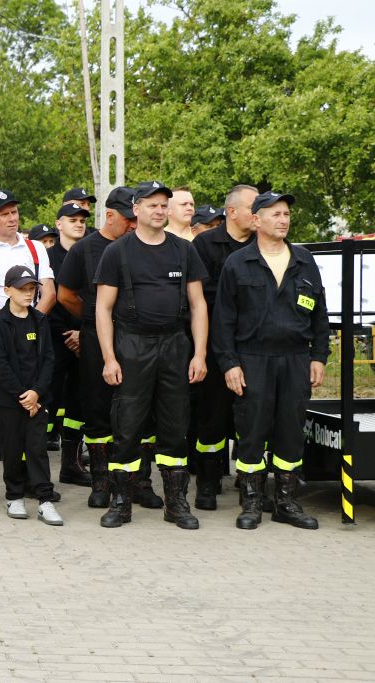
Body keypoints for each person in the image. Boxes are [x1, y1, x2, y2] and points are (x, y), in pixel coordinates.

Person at [94, 180, 209, 529]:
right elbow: (103, 308)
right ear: (136, 209)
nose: (159, 211)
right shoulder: (117, 252)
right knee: (127, 426)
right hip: (133, 344)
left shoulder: (184, 250)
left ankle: (176, 503)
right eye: (152, 205)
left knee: (175, 425)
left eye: (163, 205)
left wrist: (199, 354)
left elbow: (198, 305)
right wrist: (109, 358)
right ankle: (121, 502)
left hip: (175, 344)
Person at [212, 191, 328, 530]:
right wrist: (230, 364)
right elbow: (223, 320)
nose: (283, 219)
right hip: (253, 359)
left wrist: (319, 357)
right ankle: (251, 502)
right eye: (276, 214)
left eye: (286, 214)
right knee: (252, 430)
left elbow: (319, 314)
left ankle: (286, 503)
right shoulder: (238, 263)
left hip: (295, 359)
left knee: (291, 432)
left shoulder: (304, 260)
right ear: (256, 220)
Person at [56, 187, 143, 509]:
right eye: (128, 218)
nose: (133, 224)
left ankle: (136, 483)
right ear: (109, 215)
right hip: (95, 338)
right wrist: (93, 321)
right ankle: (101, 482)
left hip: (136, 337)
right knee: (96, 410)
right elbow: (65, 295)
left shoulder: (142, 246)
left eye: (136, 218)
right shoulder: (85, 249)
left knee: (135, 411)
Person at [0, 189, 55, 496]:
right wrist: (7, 322)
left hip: (33, 336)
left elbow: (49, 291)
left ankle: (33, 480)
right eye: (4, 214)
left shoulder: (35, 247)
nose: (11, 218)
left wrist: (31, 321)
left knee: (32, 406)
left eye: (14, 212)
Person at [190, 184, 258, 510]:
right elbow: (197, 299)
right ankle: (207, 480)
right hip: (216, 345)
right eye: (253, 207)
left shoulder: (264, 245)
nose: (258, 214)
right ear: (232, 211)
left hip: (254, 347)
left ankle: (251, 485)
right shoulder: (205, 245)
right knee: (212, 417)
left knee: (253, 418)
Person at [0, 265, 60, 524]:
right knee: (11, 449)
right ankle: (14, 496)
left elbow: (48, 359)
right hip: (9, 400)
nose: (29, 294)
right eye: (22, 289)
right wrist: (23, 395)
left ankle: (45, 500)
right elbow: (0, 366)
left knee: (37, 449)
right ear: (8, 291)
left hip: (37, 400)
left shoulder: (40, 320)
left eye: (31, 289)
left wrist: (37, 393)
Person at [47, 203, 91, 487]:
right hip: (54, 339)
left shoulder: (93, 252)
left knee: (78, 404)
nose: (78, 224)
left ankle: (71, 465)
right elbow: (47, 298)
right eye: (72, 219)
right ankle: (34, 470)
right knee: (47, 401)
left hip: (85, 337)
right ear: (58, 224)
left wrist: (82, 333)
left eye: (82, 220)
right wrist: (67, 334)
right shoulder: (47, 256)